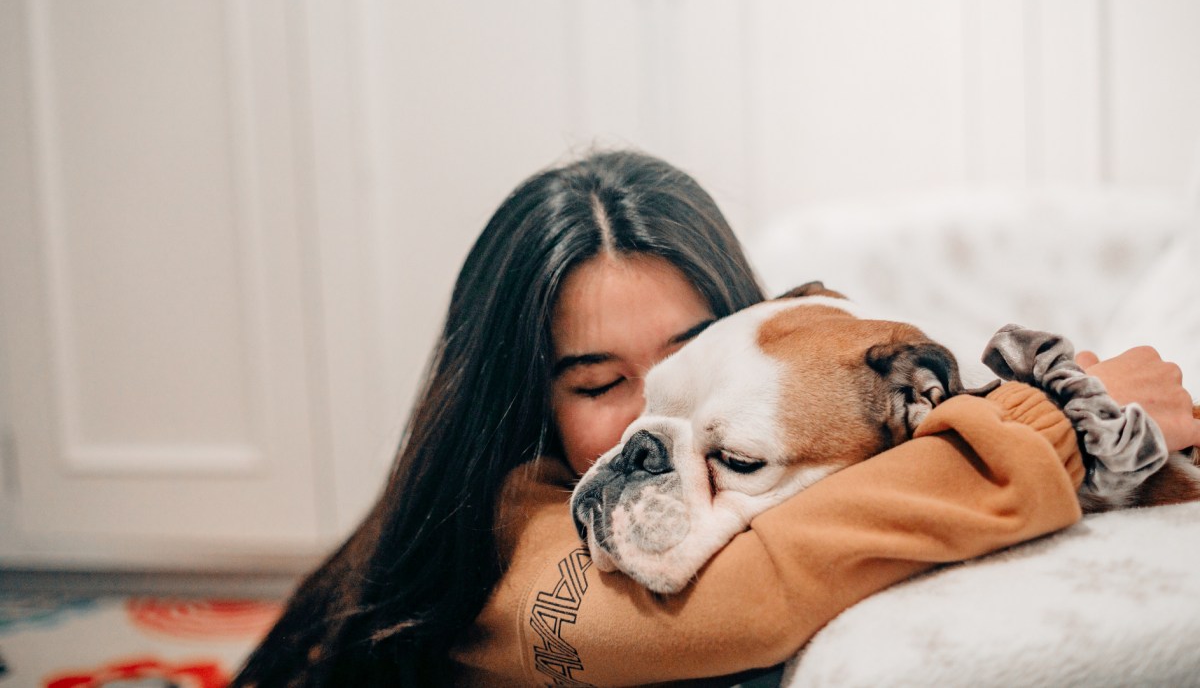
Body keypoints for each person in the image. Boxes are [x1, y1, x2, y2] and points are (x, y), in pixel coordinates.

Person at [233, 149, 1198, 687]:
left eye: (693, 357)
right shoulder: (492, 544)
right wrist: (1066, 421)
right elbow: (753, 596)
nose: (653, 420)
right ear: (524, 398)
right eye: (598, 383)